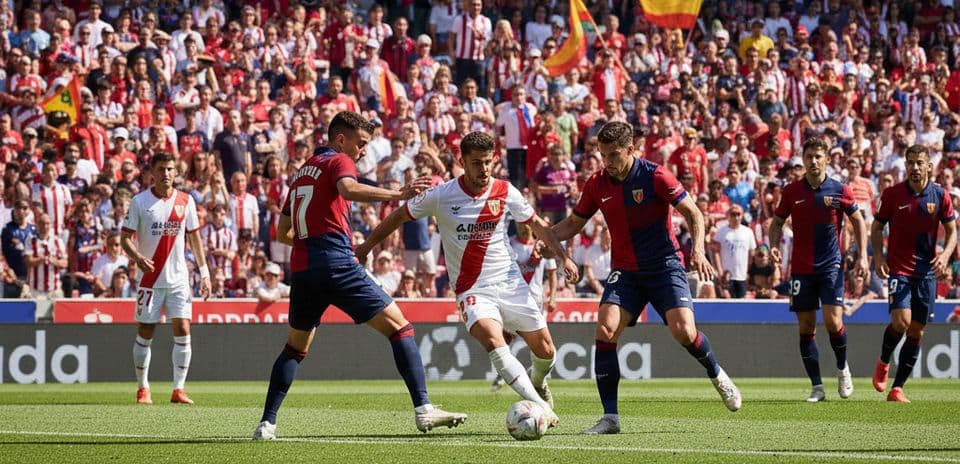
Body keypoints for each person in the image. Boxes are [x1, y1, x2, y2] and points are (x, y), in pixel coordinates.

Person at [253, 111, 466, 441]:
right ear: (341, 140)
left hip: (303, 270)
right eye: (361, 143)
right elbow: (349, 189)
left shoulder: (301, 174)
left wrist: (314, 242)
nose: (364, 150)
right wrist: (398, 194)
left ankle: (267, 424)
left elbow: (283, 233)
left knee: (294, 349)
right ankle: (424, 408)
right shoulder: (338, 161)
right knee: (401, 328)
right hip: (337, 263)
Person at [356, 131, 577, 425]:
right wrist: (365, 247)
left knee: (546, 351)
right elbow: (399, 216)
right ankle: (541, 408)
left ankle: (537, 382)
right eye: (476, 163)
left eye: (488, 162)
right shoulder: (441, 195)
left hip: (510, 283)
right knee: (493, 340)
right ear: (462, 162)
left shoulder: (505, 190)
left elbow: (537, 224)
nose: (483, 169)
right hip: (472, 288)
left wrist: (563, 257)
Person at [551, 121, 741, 435]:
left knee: (683, 331)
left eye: (614, 155)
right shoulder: (597, 183)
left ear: (631, 149)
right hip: (626, 271)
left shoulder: (656, 176)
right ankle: (610, 418)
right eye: (603, 155)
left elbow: (693, 212)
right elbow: (573, 224)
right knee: (605, 328)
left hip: (664, 266)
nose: (607, 162)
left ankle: (717, 373)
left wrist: (698, 250)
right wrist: (545, 237)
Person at [768, 136, 869, 402]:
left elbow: (858, 221)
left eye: (818, 156)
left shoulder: (839, 189)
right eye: (809, 156)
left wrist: (863, 256)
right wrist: (773, 245)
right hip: (801, 268)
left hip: (830, 265)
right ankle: (817, 386)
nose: (813, 161)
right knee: (806, 326)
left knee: (834, 321)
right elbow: (776, 222)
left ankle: (842, 368)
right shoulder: (792, 192)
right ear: (803, 159)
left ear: (826, 159)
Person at [121, 152, 211, 406]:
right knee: (146, 332)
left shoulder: (186, 200)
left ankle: (178, 389)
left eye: (170, 169)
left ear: (176, 172)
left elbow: (195, 239)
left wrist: (205, 273)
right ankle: (143, 388)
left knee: (183, 328)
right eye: (161, 169)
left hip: (179, 279)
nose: (166, 174)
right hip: (149, 279)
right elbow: (124, 239)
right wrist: (138, 258)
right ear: (152, 172)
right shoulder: (140, 202)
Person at [871, 144, 957, 403]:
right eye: (910, 162)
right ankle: (883, 360)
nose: (915, 167)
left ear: (929, 166)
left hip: (926, 273)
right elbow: (877, 227)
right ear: (905, 165)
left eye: (920, 163)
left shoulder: (940, 195)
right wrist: (878, 257)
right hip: (899, 269)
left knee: (917, 331)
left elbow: (952, 232)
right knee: (902, 322)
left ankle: (897, 388)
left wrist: (945, 256)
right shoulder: (893, 194)